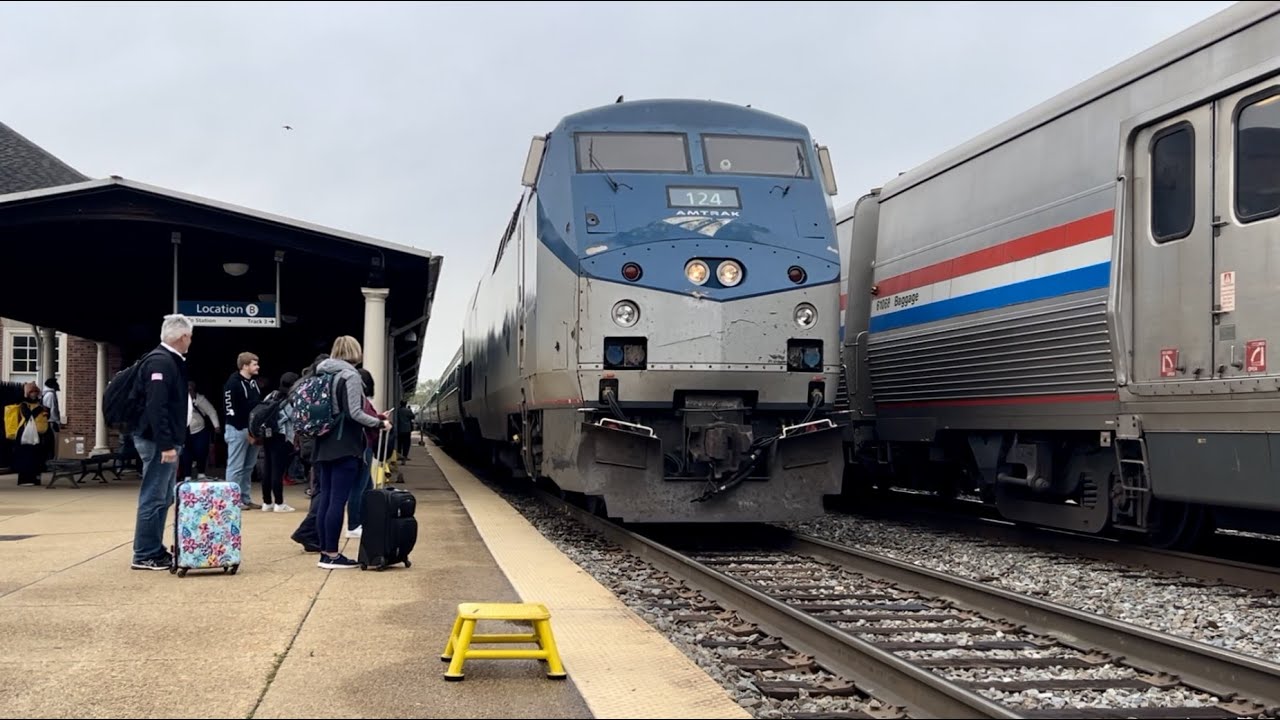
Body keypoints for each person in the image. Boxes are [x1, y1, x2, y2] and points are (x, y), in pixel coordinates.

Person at [312, 336, 388, 569]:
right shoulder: (350, 376)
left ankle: (325, 552)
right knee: (337, 501)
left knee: (325, 498)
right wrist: (379, 423)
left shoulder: (322, 373)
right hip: (344, 443)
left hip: (323, 441)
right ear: (356, 352)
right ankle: (333, 555)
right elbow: (355, 412)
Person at [130, 314, 193, 571]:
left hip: (162, 440)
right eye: (190, 337)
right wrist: (166, 444)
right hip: (158, 442)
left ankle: (153, 549)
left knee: (163, 495)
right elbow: (157, 405)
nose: (190, 341)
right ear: (183, 337)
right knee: (154, 495)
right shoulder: (161, 363)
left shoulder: (165, 360)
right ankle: (145, 552)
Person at [223, 351, 262, 511]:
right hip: (238, 429)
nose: (257, 366)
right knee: (235, 467)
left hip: (252, 429)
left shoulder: (252, 383)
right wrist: (246, 431)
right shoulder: (232, 384)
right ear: (245, 366)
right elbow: (230, 409)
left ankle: (245, 498)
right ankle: (231, 500)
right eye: (254, 364)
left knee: (248, 467)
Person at [259, 371, 298, 513]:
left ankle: (266, 502)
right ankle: (279, 503)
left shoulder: (272, 395)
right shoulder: (291, 400)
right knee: (278, 470)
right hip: (282, 436)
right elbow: (294, 418)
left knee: (267, 468)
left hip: (267, 435)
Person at [10, 383, 50, 486]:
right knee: (25, 457)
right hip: (24, 433)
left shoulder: (40, 404)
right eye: (32, 392)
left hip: (37, 433)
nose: (34, 394)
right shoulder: (24, 404)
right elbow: (28, 415)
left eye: (36, 392)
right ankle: (24, 479)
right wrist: (41, 409)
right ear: (28, 393)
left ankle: (35, 478)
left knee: (36, 457)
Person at [181, 381, 220, 481]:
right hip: (185, 431)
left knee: (201, 451)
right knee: (186, 453)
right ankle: (187, 475)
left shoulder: (200, 399)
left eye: (191, 389)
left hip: (200, 430)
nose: (189, 391)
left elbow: (211, 412)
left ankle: (201, 473)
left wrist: (216, 426)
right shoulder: (180, 400)